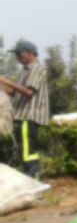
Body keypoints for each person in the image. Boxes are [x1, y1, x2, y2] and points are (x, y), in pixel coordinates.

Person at [0, 40, 50, 178]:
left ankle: (33, 177)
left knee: (28, 149)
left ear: (29, 53)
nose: (17, 57)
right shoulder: (25, 71)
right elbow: (17, 93)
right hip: (22, 116)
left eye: (19, 54)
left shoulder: (37, 69)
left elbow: (28, 92)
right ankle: (31, 176)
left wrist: (6, 81)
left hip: (29, 117)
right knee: (24, 148)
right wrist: (5, 88)